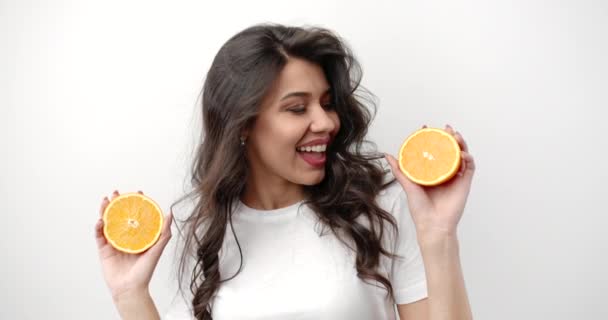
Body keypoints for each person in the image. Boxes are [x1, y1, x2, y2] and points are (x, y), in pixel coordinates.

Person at [94, 23, 476, 320]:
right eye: (297, 108)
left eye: (327, 104)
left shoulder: (378, 206)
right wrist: (130, 295)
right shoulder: (204, 229)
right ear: (243, 123)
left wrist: (439, 234)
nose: (326, 122)